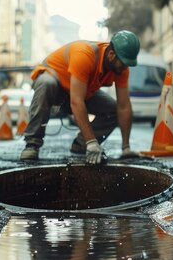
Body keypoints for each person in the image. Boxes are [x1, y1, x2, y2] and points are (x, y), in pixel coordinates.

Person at [20, 30, 142, 164]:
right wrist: (92, 142)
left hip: (79, 91)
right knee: (46, 83)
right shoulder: (84, 55)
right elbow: (76, 102)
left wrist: (126, 148)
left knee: (112, 109)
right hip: (56, 84)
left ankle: (81, 144)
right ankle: (32, 144)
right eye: (124, 63)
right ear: (112, 55)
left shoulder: (121, 67)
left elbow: (123, 107)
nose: (125, 68)